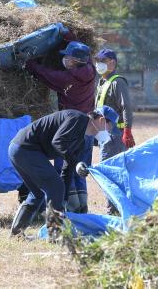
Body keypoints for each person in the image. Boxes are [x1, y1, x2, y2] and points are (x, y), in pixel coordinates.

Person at [8, 107, 119, 237]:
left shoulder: (81, 139)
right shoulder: (77, 119)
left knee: (38, 193)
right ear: (101, 120)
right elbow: (58, 141)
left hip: (18, 149)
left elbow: (67, 170)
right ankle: (54, 234)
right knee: (54, 186)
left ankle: (16, 233)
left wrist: (64, 201)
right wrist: (73, 159)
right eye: (109, 128)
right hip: (25, 148)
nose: (108, 132)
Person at [24, 41, 96, 213]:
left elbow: (46, 74)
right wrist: (69, 35)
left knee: (64, 166)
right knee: (81, 168)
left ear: (73, 61)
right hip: (88, 129)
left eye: (67, 56)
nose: (64, 58)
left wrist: (28, 63)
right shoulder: (91, 70)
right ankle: (82, 207)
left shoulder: (68, 79)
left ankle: (68, 208)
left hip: (71, 130)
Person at [94, 48, 135, 157]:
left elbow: (126, 107)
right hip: (104, 132)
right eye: (97, 61)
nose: (98, 64)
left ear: (112, 63)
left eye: (102, 61)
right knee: (106, 165)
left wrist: (127, 130)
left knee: (114, 167)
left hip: (115, 134)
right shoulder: (102, 82)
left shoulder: (118, 82)